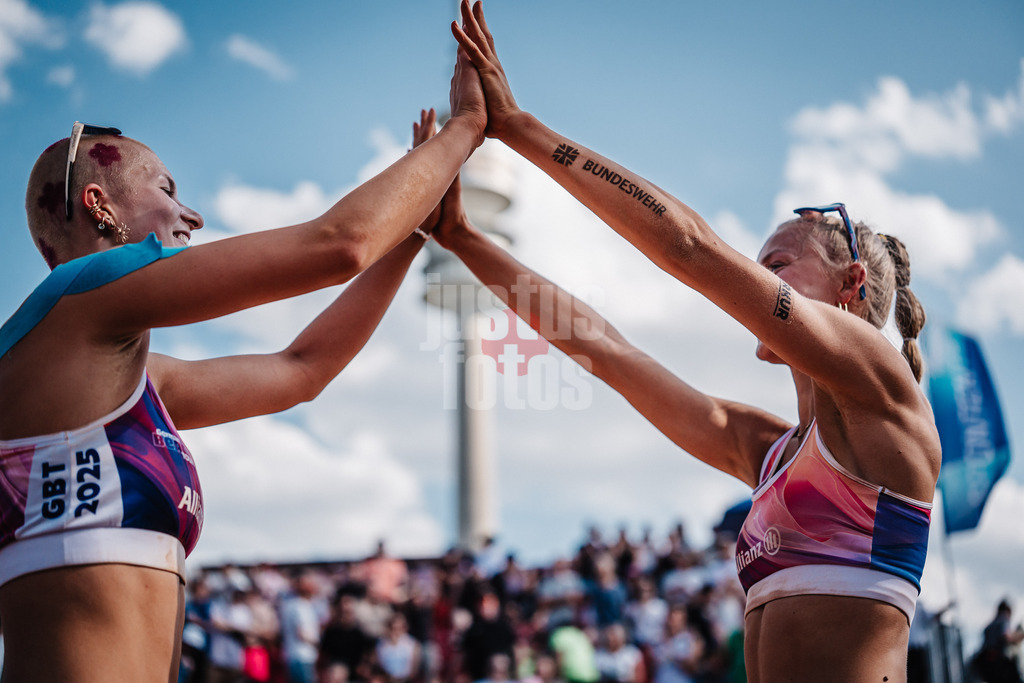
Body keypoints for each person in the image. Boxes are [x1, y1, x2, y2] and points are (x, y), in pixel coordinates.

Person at [443, 2, 941, 681]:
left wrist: (521, 128)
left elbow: (691, 247)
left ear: (851, 282)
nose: (759, 285)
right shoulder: (772, 452)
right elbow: (607, 352)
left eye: (776, 268)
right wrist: (463, 240)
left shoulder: (883, 388)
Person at [0, 44, 487, 681]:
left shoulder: (127, 374)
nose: (192, 215)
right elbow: (339, 244)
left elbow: (303, 369)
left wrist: (415, 232)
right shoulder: (82, 293)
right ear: (100, 205)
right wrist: (467, 128)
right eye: (168, 189)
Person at [973, 599, 1024, 683]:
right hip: (998, 663)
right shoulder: (1003, 619)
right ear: (1007, 611)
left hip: (985, 665)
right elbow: (1006, 636)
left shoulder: (988, 626)